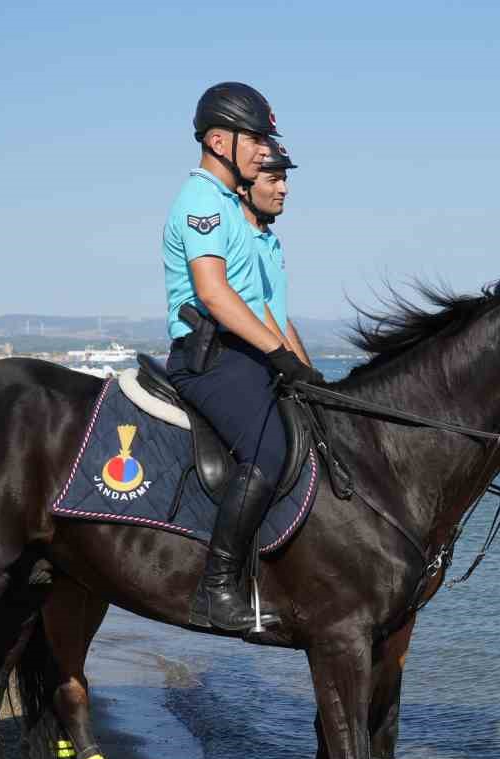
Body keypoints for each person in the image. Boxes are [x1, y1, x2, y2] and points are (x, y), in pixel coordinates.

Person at [161, 82, 320, 632]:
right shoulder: (202, 200)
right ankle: (217, 589)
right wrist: (279, 355)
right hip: (207, 355)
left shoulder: (229, 205)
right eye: (255, 139)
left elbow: (261, 307)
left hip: (240, 350)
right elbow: (213, 293)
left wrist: (303, 372)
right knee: (267, 449)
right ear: (217, 140)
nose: (263, 150)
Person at [238, 139, 314, 366]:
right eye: (273, 180)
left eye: (284, 180)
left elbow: (278, 317)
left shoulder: (270, 239)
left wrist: (309, 377)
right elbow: (256, 309)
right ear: (243, 187)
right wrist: (291, 364)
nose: (284, 189)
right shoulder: (239, 237)